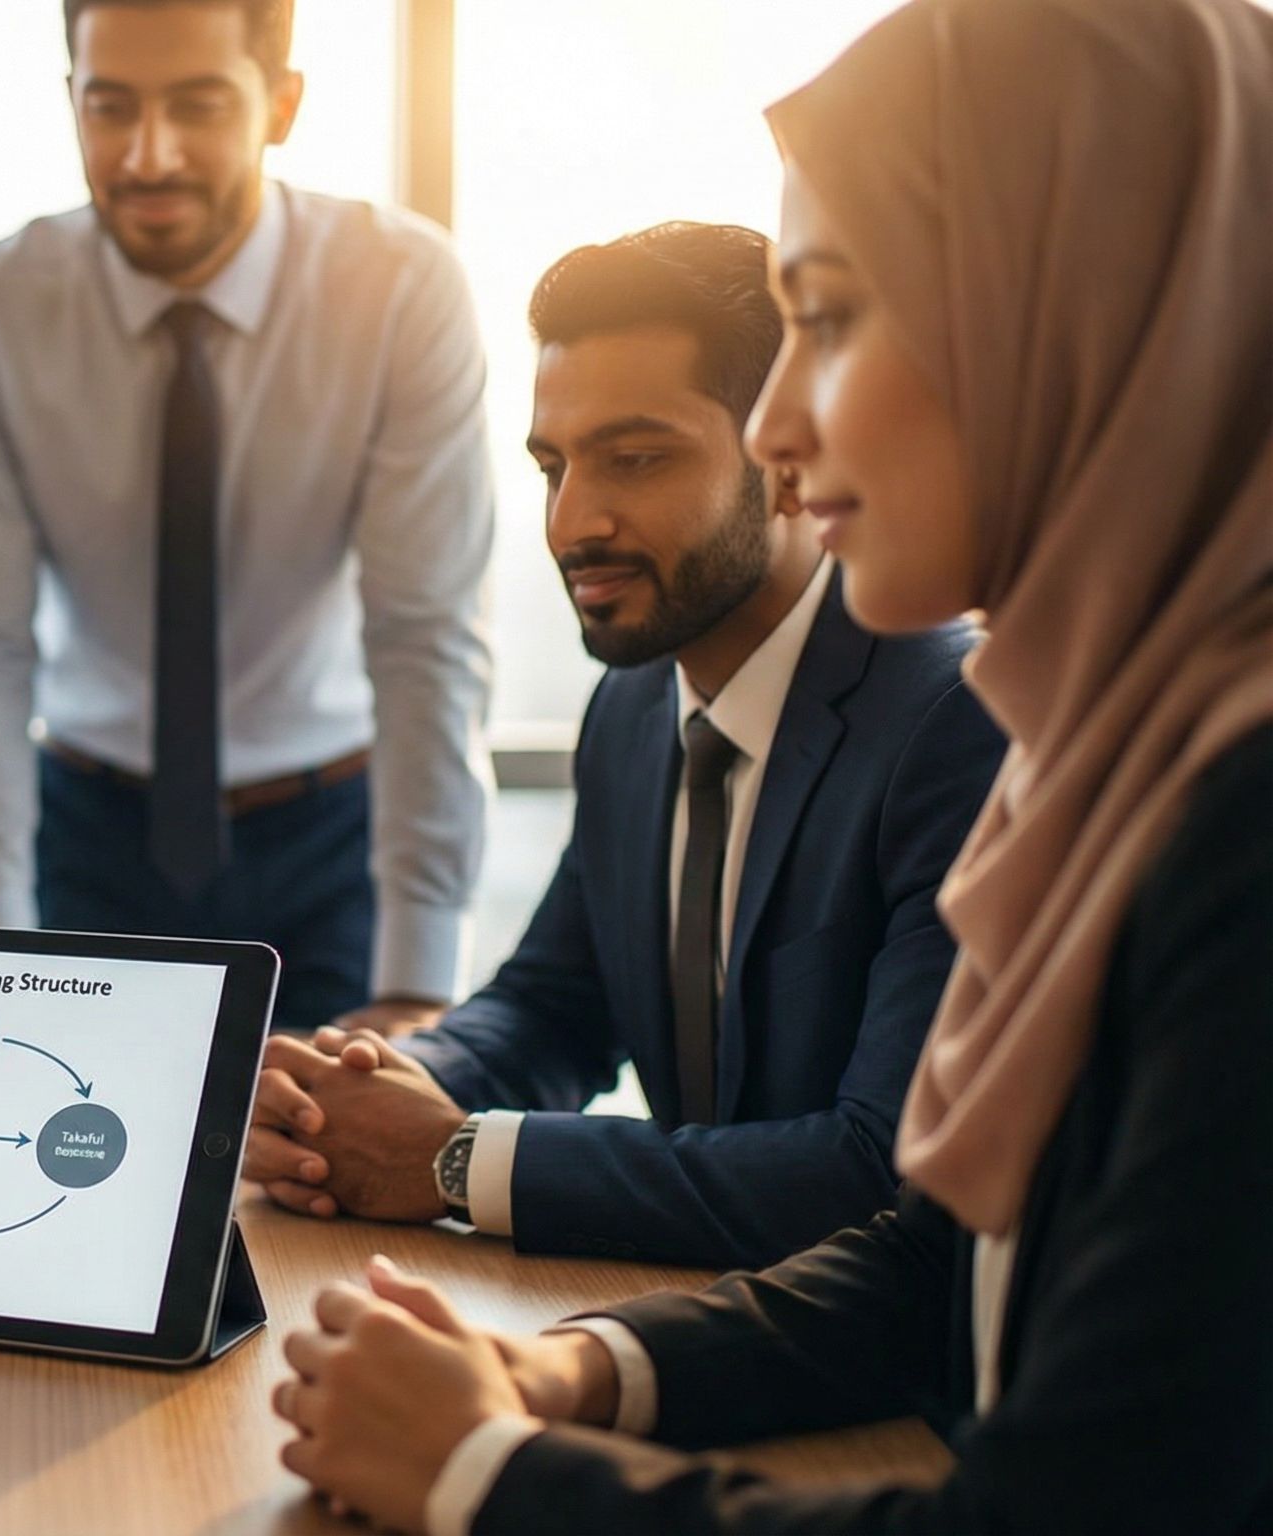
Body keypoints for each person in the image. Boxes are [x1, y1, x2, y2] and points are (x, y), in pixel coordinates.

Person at [267, 1, 1273, 1530]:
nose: (787, 422)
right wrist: (559, 1370)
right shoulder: (1121, 752)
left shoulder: (1228, 816)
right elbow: (941, 1258)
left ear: (1081, 305)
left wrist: (486, 1471)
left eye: (839, 316)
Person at [243, 223, 1005, 1269]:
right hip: (690, 1318)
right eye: (553, 466)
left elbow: (879, 1168)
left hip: (879, 1387)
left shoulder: (950, 721)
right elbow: (552, 1012)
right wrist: (347, 1094)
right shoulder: (633, 707)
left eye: (634, 460)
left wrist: (457, 1159)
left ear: (789, 460)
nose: (572, 521)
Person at [0, 0, 495, 1033]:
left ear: (280, 104)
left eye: (196, 106)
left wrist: (416, 976)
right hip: (85, 833)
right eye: (111, 108)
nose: (147, 156)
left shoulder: (402, 291)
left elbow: (425, 639)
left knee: (327, 1177)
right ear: (71, 104)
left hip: (334, 841)